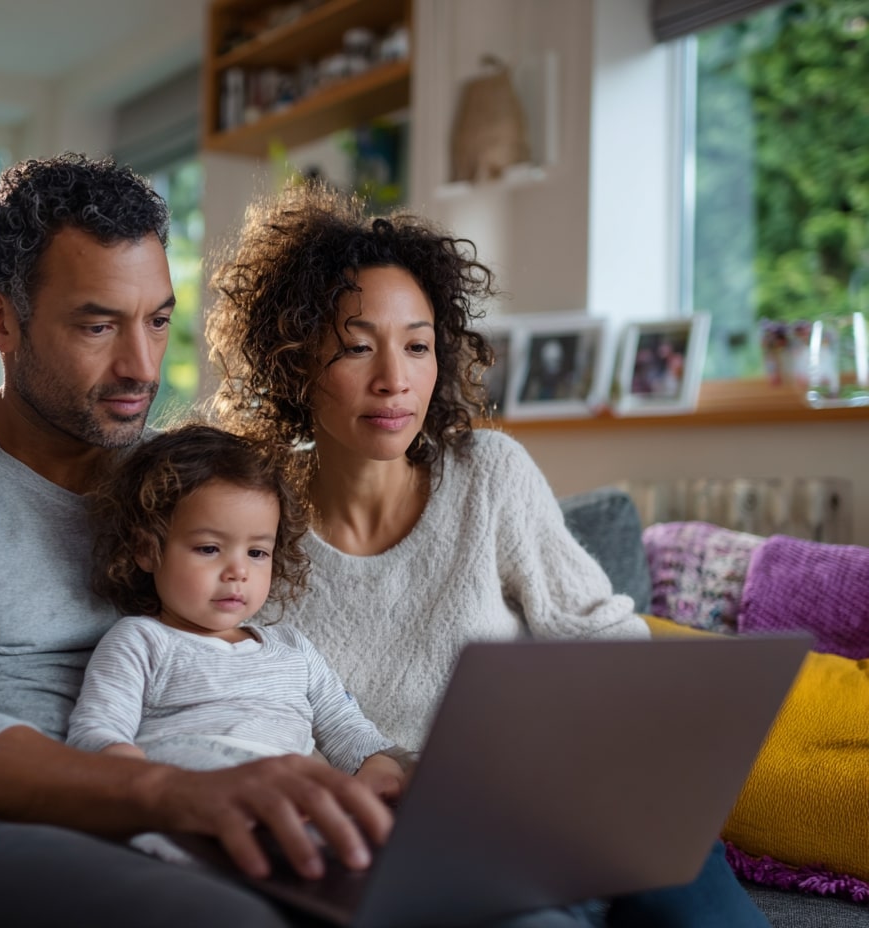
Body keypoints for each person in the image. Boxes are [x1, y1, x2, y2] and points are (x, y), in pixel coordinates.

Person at [0, 154, 398, 928]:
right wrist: (178, 795)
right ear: (2, 318)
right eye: (98, 324)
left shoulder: (171, 491)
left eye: (159, 320)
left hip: (133, 839)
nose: (142, 367)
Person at [205, 180, 772, 928]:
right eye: (356, 346)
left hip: (565, 801)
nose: (394, 379)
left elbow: (611, 647)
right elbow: (233, 718)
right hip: (397, 849)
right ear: (295, 360)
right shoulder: (248, 532)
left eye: (417, 345)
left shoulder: (488, 475)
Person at [66, 423, 407, 801]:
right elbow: (96, 733)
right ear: (148, 550)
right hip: (192, 802)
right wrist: (132, 774)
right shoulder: (140, 642)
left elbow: (351, 732)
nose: (238, 571)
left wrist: (378, 765)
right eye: (209, 548)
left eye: (257, 553)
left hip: (290, 806)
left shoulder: (293, 650)